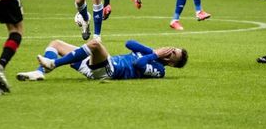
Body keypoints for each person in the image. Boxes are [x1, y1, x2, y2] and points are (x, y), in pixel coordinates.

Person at [16, 38, 188, 81]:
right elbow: (129, 43)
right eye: (172, 49)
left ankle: (52, 64)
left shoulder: (161, 70)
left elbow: (138, 64)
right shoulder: (151, 53)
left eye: (173, 54)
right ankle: (40, 73)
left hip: (109, 71)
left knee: (95, 45)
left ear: (172, 63)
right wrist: (152, 51)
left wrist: (156, 55)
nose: (170, 51)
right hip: (99, 65)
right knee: (56, 44)